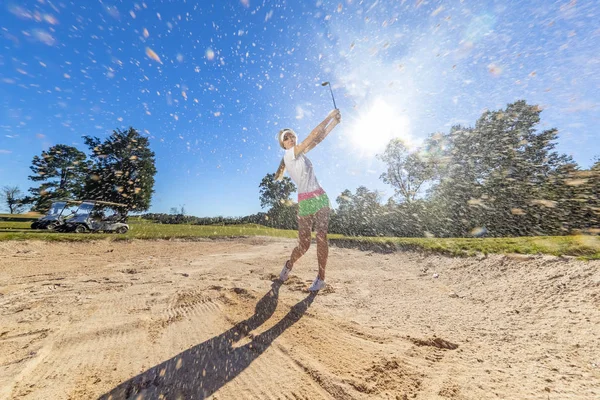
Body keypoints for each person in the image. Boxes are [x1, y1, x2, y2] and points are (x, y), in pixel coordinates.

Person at [275, 109, 341, 291]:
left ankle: (321, 278)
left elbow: (318, 138)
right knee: (303, 245)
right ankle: (289, 265)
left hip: (319, 197)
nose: (290, 139)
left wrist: (334, 123)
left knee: (321, 236)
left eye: (292, 137)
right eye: (286, 138)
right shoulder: (289, 155)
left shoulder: (301, 154)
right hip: (305, 201)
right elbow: (313, 135)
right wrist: (328, 116)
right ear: (283, 144)